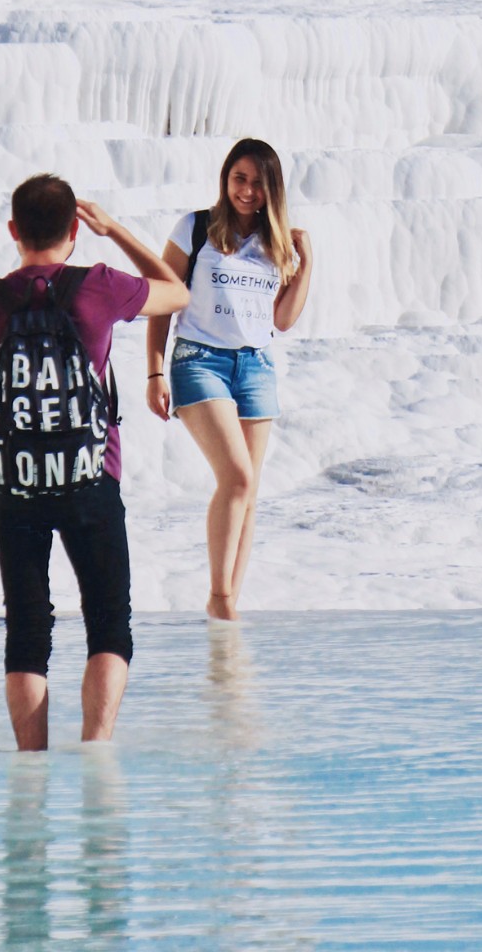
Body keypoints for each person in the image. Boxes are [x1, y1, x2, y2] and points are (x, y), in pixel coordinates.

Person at [0, 173, 189, 752]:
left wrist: (12, 407)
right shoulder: (99, 287)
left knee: (27, 632)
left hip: (16, 486)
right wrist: (119, 232)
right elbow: (176, 291)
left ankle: (30, 767)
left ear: (14, 231)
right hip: (90, 479)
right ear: (75, 231)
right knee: (109, 623)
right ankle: (95, 751)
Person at [145, 138, 313, 618]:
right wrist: (155, 370)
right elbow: (163, 299)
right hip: (199, 360)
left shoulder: (275, 244)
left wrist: (306, 268)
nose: (247, 191)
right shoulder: (194, 228)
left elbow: (283, 320)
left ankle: (230, 604)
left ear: (271, 190)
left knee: (250, 492)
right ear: (225, 179)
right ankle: (219, 600)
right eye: (239, 179)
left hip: (256, 366)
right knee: (236, 478)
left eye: (258, 183)